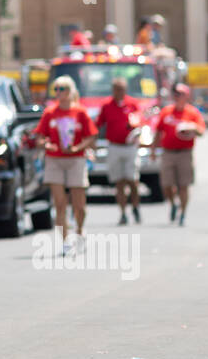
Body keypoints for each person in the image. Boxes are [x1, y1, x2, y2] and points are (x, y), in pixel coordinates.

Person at [29, 75, 98, 255]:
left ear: (70, 91)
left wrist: (77, 147)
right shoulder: (50, 112)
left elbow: (91, 136)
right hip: (55, 159)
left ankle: (80, 232)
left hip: (76, 159)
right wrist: (46, 144)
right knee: (59, 203)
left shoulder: (80, 112)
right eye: (56, 89)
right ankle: (65, 240)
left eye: (62, 89)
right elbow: (39, 137)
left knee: (78, 203)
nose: (58, 93)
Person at [153, 83, 206, 226]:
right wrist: (153, 150)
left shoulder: (192, 113)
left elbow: (201, 131)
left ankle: (183, 212)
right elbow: (158, 131)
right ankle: (173, 204)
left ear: (186, 96)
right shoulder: (166, 112)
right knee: (166, 184)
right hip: (168, 152)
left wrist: (192, 127)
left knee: (184, 185)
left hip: (184, 153)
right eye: (175, 94)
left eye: (180, 94)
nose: (177, 97)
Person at [98, 76, 142, 225]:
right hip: (114, 146)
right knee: (119, 182)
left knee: (132, 180)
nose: (120, 92)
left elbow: (139, 122)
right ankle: (123, 213)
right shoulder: (107, 106)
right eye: (117, 90)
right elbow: (98, 124)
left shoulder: (132, 104)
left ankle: (135, 206)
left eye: (122, 89)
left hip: (130, 147)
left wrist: (136, 128)